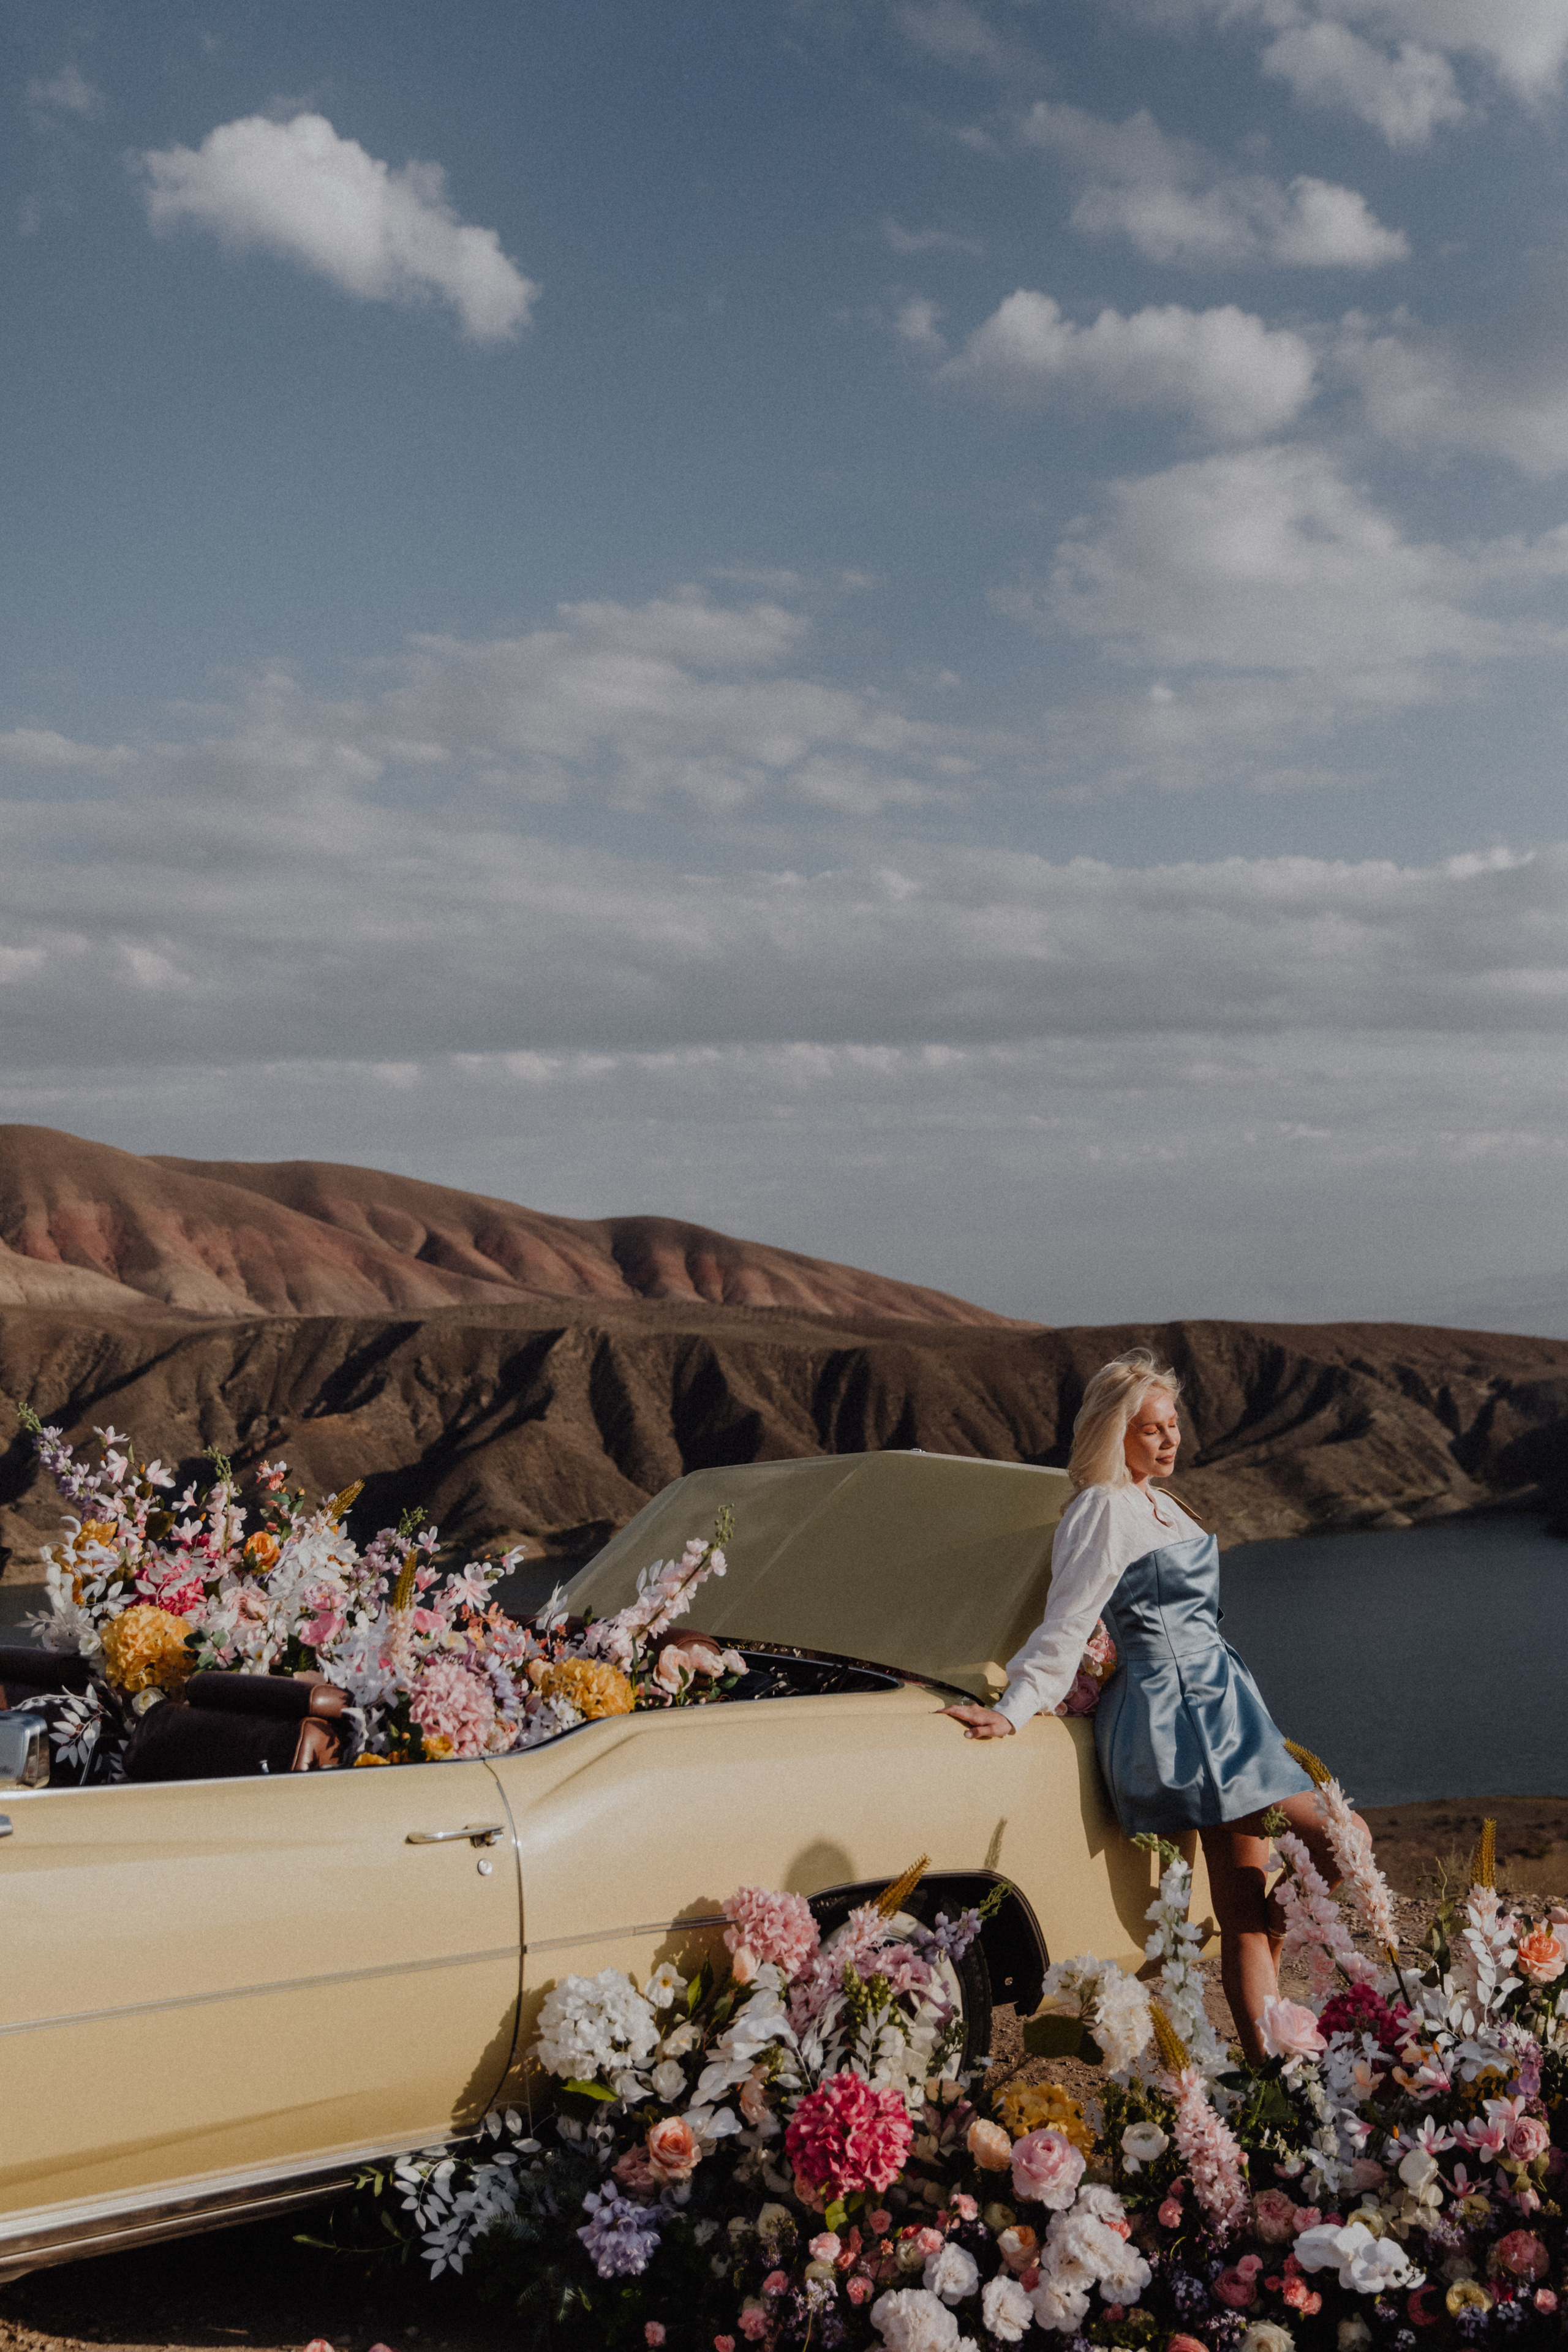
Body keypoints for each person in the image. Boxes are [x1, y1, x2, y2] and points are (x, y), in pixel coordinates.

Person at [943, 1349, 1364, 2067]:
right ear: (1116, 1433)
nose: (1169, 1439)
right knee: (1342, 1834)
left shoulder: (1162, 1504)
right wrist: (1014, 1709)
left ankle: (1270, 2072)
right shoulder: (1102, 1509)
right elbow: (1067, 1620)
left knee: (1243, 1911)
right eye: (1151, 1429)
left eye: (1172, 1424)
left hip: (1224, 1702)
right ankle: (1291, 1947)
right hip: (1180, 1714)